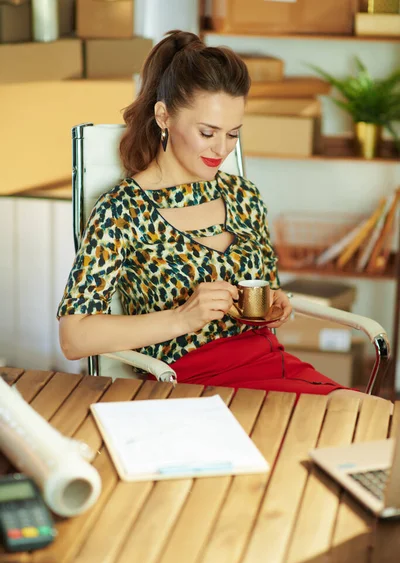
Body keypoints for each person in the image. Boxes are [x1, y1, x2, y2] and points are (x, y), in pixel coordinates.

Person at [57, 30, 385, 400]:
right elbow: (74, 337)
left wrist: (275, 304)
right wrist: (182, 317)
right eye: (208, 132)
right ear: (164, 116)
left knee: (369, 414)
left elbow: (264, 291)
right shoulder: (121, 210)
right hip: (189, 385)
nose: (222, 148)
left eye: (233, 134)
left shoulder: (243, 195)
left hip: (270, 365)